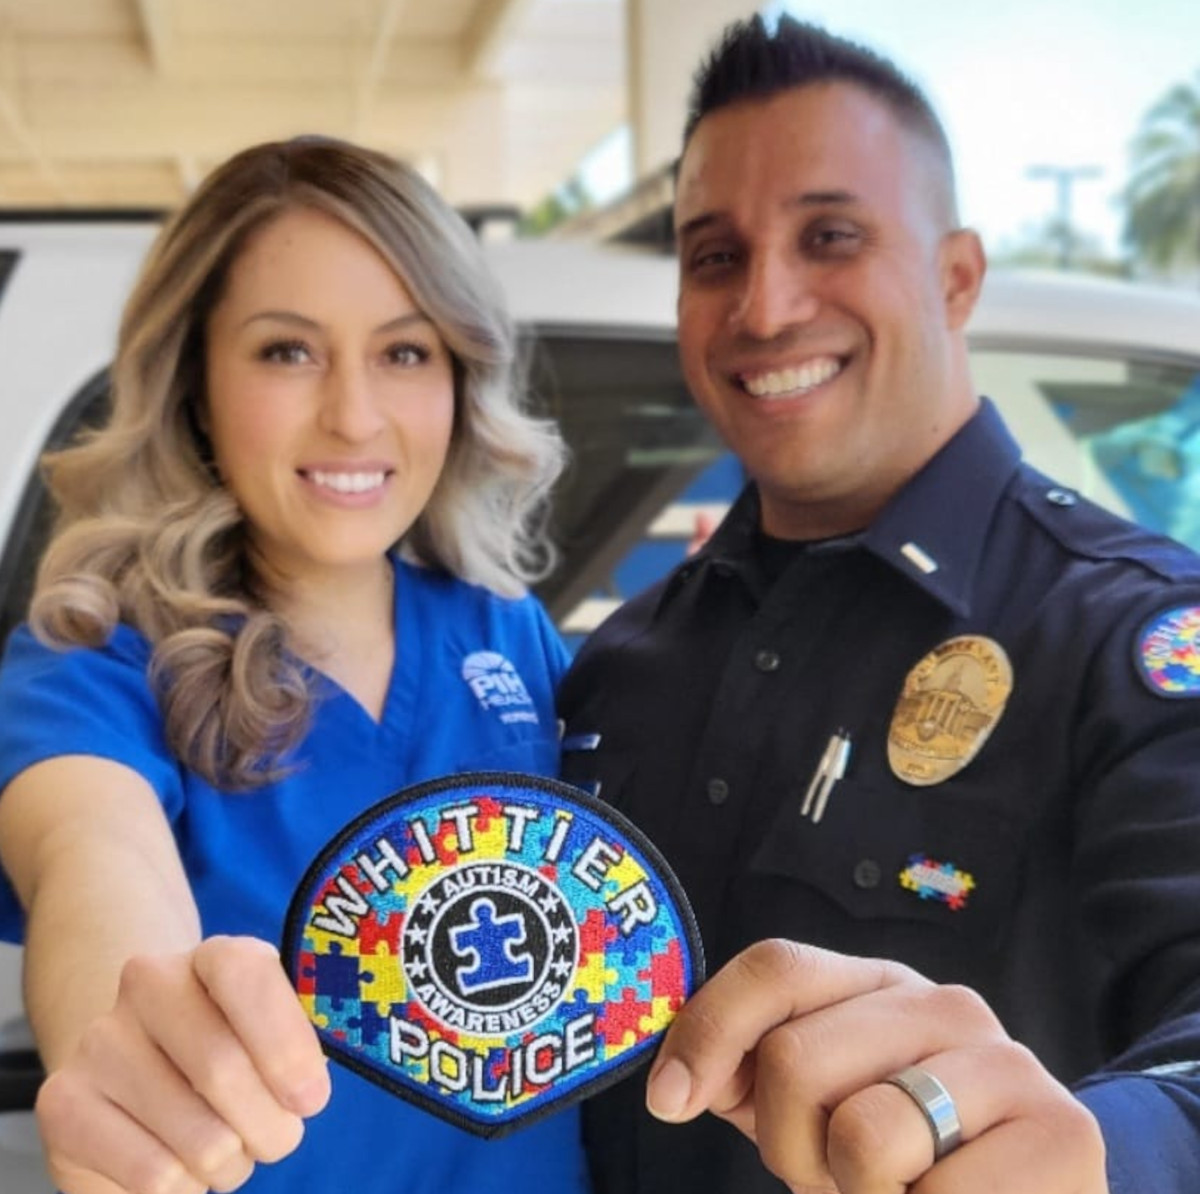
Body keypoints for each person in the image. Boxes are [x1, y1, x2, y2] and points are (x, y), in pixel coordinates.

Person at [559, 13, 1200, 1194]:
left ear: (956, 277)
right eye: (714, 256)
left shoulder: (1123, 639)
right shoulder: (625, 658)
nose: (763, 306)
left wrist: (1108, 1153)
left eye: (831, 235)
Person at [0, 136, 589, 1194]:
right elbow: (95, 858)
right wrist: (138, 1050)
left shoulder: (512, 638)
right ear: (194, 385)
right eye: (288, 351)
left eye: (405, 353)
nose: (355, 416)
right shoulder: (94, 660)